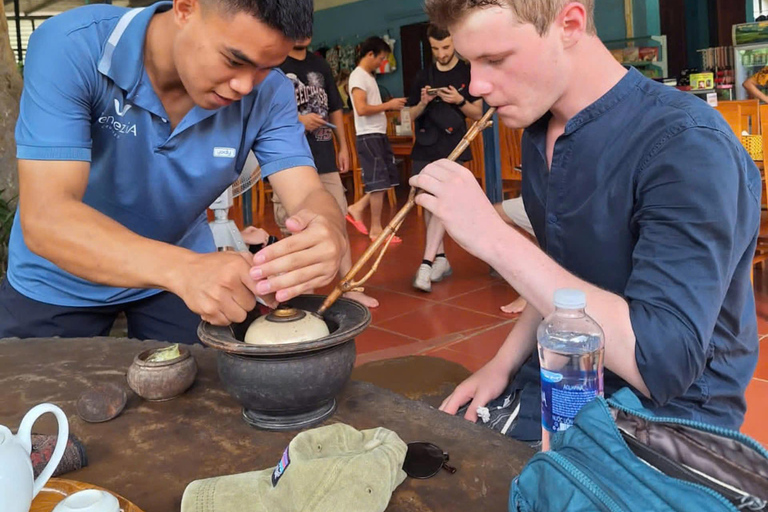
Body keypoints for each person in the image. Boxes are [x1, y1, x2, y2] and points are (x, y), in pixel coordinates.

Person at [412, 0, 760, 438]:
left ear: (570, 24)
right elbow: (563, 280)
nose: (477, 84)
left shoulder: (687, 145)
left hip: (663, 417)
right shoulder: (542, 129)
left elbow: (662, 365)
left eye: (495, 60)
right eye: (470, 62)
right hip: (561, 378)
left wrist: (492, 236)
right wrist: (501, 365)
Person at [0, 0, 347, 343]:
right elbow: (47, 217)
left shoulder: (270, 91)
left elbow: (306, 194)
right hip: (59, 277)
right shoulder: (74, 45)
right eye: (234, 60)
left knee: (218, 388)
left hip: (179, 270)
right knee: (37, 393)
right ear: (184, 8)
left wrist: (327, 229)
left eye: (264, 66)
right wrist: (185, 269)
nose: (245, 86)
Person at [277, 37, 379, 308]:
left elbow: (335, 108)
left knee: (338, 217)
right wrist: (299, 120)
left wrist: (343, 147)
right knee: (292, 225)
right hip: (288, 160)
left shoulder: (319, 64)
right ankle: (292, 296)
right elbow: (265, 111)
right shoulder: (275, 63)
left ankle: (349, 286)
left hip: (324, 156)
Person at [408, 25, 483, 293]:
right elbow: (409, 116)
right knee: (428, 203)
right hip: (425, 143)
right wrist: (424, 102)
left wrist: (459, 99)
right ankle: (440, 258)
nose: (441, 53)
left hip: (454, 144)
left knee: (441, 201)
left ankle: (427, 263)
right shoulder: (422, 75)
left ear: (455, 44)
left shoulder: (466, 72)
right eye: (436, 49)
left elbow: (477, 113)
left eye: (446, 48)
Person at [345, 37, 407, 243]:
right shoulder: (358, 77)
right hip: (368, 135)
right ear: (369, 54)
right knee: (378, 181)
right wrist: (388, 105)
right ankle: (376, 230)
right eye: (380, 58)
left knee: (384, 180)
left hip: (376, 134)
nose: (381, 63)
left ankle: (358, 208)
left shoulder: (368, 77)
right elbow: (361, 109)